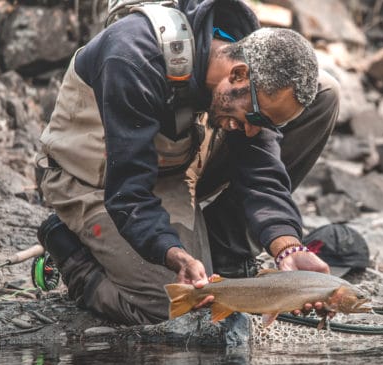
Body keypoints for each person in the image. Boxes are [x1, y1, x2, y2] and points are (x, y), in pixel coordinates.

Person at [35, 0, 340, 325]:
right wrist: (174, 254)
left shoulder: (249, 67)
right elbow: (128, 194)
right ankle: (71, 254)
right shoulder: (133, 55)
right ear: (238, 74)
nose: (253, 131)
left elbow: (262, 170)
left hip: (174, 165)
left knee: (326, 92)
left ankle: (226, 248)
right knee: (174, 309)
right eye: (255, 118)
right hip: (97, 178)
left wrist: (288, 248)